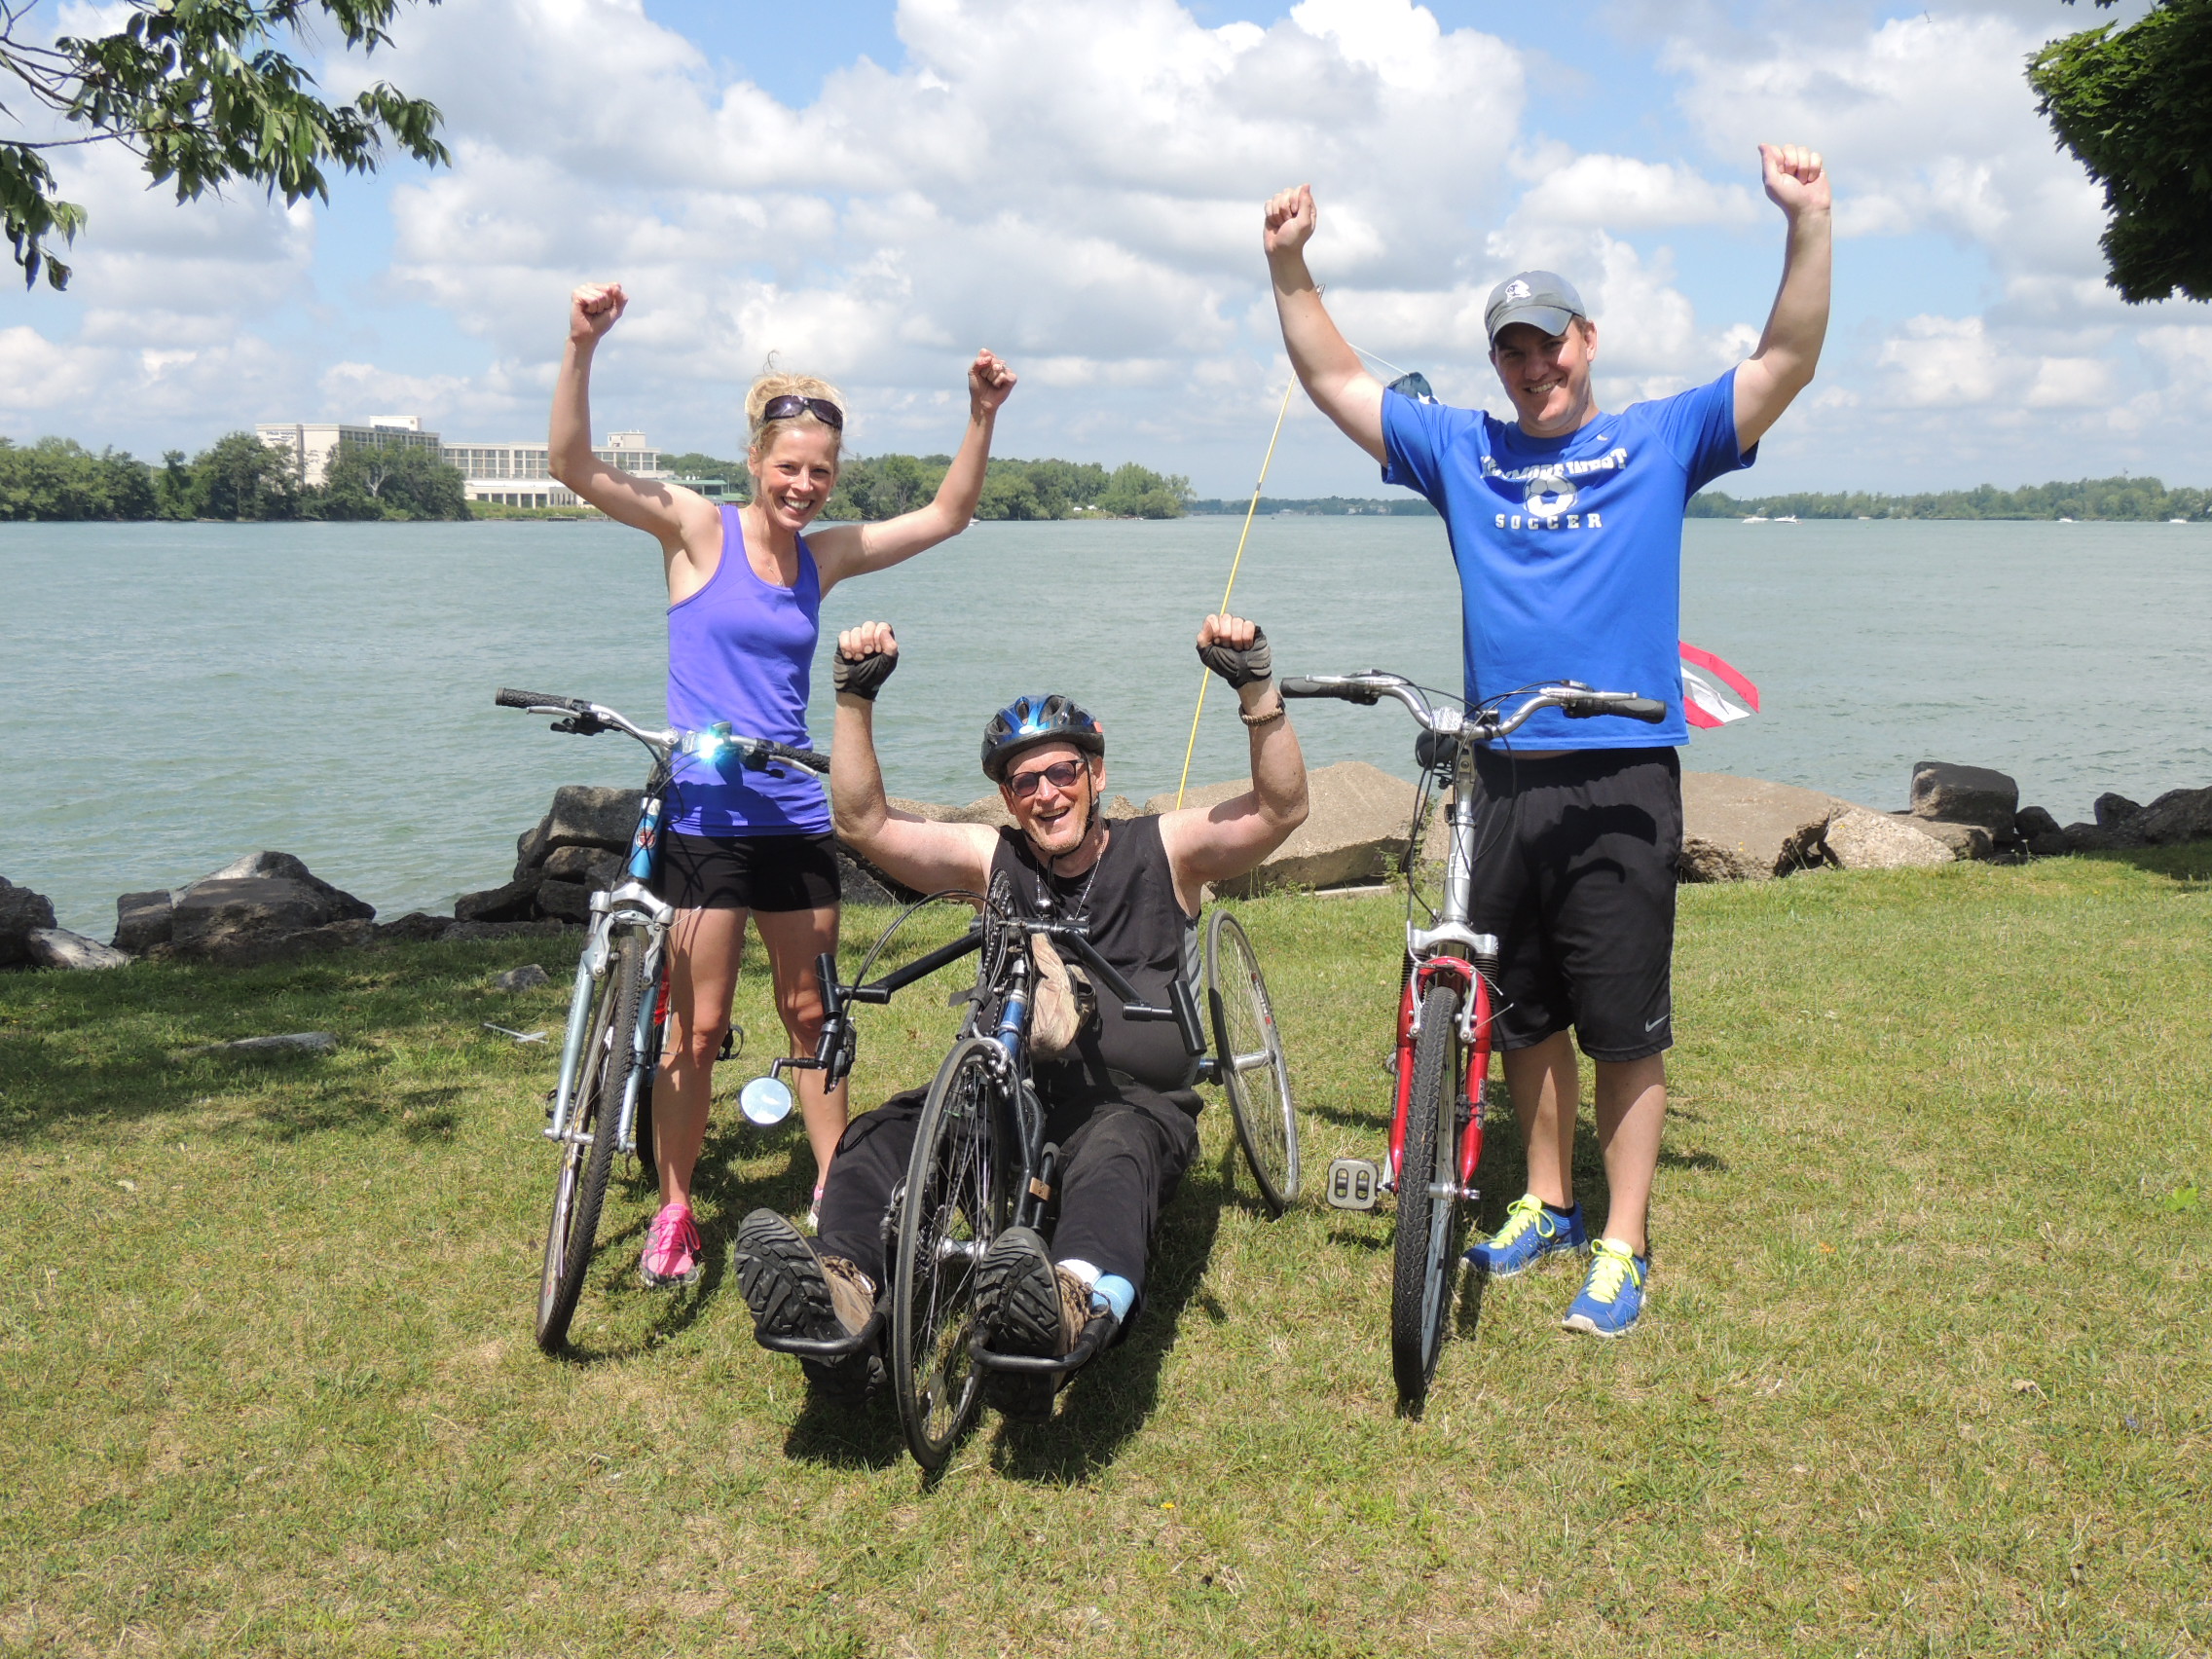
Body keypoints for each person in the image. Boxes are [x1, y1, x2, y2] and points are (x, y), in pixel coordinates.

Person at [1259, 144, 1831, 1337]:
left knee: (1623, 1018)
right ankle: (1548, 1200)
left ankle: (1622, 1243)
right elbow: (1338, 381)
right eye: (1511, 352)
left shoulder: (1660, 441)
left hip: (1621, 774)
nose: (1533, 368)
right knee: (1519, 1010)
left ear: (1589, 339)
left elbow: (1783, 361)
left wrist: (1807, 224)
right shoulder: (1462, 452)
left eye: (1549, 343)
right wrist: (1290, 265)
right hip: (1499, 773)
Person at [549, 280, 1017, 1289]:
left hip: (796, 813)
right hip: (706, 818)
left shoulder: (820, 559)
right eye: (787, 468)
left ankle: (835, 1192)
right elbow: (572, 466)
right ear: (755, 463)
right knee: (698, 1024)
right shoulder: (693, 531)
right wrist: (582, 344)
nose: (802, 486)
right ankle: (675, 1210)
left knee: (812, 1013)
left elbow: (948, 513)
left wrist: (979, 417)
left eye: (819, 473)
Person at [730, 612, 1309, 1413]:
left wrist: (1256, 689)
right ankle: (842, 1291)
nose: (1047, 794)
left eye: (1063, 772)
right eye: (1025, 783)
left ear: (1096, 775)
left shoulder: (1163, 849)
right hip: (1004, 1094)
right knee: (882, 1137)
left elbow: (1280, 811)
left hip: (1128, 1106)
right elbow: (861, 823)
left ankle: (1064, 1303)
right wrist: (853, 701)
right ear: (1007, 797)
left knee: (1112, 1161)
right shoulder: (990, 858)